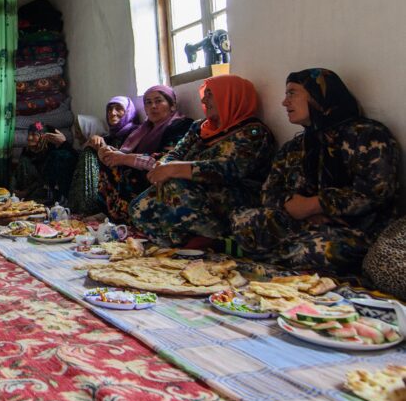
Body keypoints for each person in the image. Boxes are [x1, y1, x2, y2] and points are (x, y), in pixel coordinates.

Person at [232, 69, 399, 273]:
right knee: (243, 221)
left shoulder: (366, 135)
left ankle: (285, 256)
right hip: (300, 222)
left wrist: (316, 205)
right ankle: (288, 255)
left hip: (355, 229)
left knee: (319, 249)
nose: (285, 102)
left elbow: (376, 192)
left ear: (319, 94)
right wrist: (292, 206)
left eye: (292, 93)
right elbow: (269, 192)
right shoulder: (296, 146)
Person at [129, 75, 276, 247]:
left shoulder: (253, 132)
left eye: (210, 94)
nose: (204, 100)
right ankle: (180, 244)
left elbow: (229, 169)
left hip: (231, 197)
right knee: (137, 208)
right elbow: (177, 152)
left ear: (229, 96)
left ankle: (214, 238)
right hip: (191, 189)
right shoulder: (200, 127)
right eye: (204, 94)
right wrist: (164, 164)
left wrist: (176, 169)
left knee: (174, 185)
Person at [97, 86, 193, 223]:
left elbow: (165, 160)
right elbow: (123, 152)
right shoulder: (143, 130)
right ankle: (110, 215)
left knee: (127, 170)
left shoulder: (181, 126)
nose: (153, 106)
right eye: (148, 102)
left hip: (162, 173)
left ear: (172, 105)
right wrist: (107, 152)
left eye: (158, 101)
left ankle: (130, 218)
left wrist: (123, 158)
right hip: (143, 169)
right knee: (111, 164)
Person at [12, 122, 77, 204]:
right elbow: (16, 173)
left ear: (43, 137)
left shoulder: (50, 155)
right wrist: (13, 190)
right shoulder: (26, 152)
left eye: (34, 134)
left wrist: (25, 192)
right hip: (22, 194)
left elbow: (42, 179)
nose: (29, 137)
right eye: (28, 134)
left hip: (40, 195)